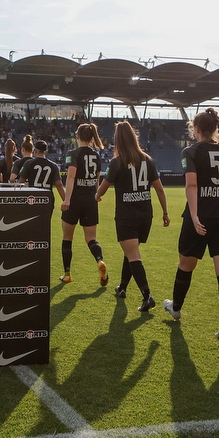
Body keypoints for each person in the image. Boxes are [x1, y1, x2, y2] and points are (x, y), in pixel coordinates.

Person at [163, 108, 219, 342]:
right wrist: (218, 195)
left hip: (199, 218)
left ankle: (176, 308)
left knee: (186, 264)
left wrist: (196, 216)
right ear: (216, 128)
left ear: (195, 129)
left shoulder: (190, 151)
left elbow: (192, 186)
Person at [95, 120, 170, 312]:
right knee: (131, 250)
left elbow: (102, 190)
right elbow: (160, 190)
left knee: (133, 254)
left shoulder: (116, 162)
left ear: (118, 140)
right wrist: (165, 212)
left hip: (126, 215)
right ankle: (122, 287)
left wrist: (96, 195)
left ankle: (147, 296)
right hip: (145, 214)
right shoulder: (148, 159)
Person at [58, 124, 108, 286]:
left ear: (77, 137)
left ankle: (67, 274)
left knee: (67, 238)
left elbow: (71, 177)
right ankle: (100, 261)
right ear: (92, 138)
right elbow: (97, 179)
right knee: (91, 238)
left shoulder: (72, 153)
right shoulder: (96, 155)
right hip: (90, 200)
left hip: (75, 200)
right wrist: (97, 194)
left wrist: (67, 199)